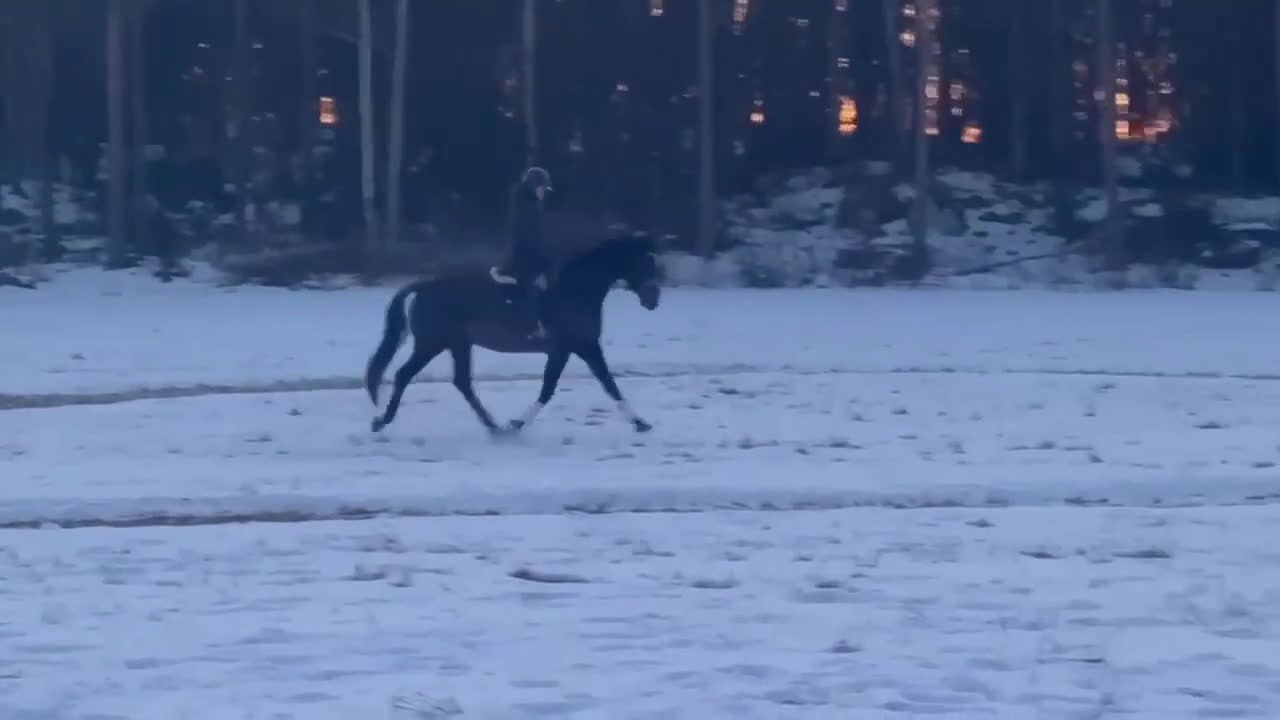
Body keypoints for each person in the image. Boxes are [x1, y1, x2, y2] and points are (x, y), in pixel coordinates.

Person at [502, 166, 554, 339]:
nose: (544, 193)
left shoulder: (530, 204)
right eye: (542, 188)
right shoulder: (526, 207)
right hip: (522, 257)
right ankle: (533, 326)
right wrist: (540, 266)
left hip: (529, 255)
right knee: (530, 287)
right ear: (534, 186)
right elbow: (528, 238)